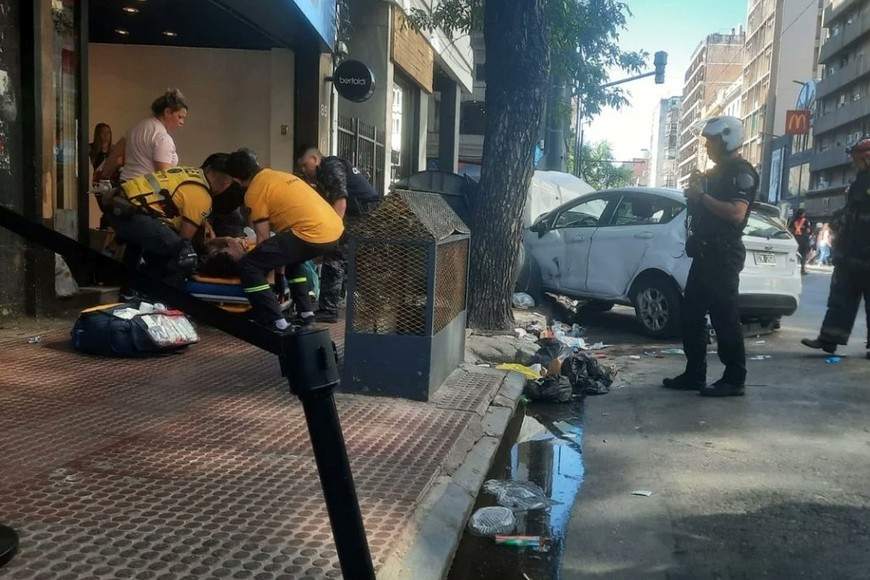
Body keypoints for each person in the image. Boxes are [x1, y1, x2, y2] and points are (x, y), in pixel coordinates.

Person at [662, 115, 759, 397]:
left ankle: (734, 378)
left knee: (724, 317)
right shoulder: (716, 172)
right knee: (691, 314)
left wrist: (702, 197)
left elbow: (735, 213)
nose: (707, 146)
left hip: (723, 253)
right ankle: (695, 373)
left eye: (711, 140)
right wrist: (695, 195)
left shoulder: (741, 171)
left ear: (728, 139)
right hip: (705, 254)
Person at [225, 149, 344, 331]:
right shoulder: (278, 176)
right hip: (334, 230)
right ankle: (306, 313)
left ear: (236, 180)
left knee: (249, 265)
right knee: (291, 259)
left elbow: (264, 239)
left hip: (311, 233)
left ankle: (275, 321)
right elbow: (279, 249)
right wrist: (280, 273)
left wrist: (270, 279)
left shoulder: (254, 192)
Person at [801, 137, 870, 360]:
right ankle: (829, 339)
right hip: (851, 255)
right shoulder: (859, 183)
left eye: (856, 160)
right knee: (840, 299)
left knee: (845, 298)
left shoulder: (863, 184)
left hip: (862, 255)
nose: (853, 164)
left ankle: (831, 340)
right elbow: (850, 217)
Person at [295, 145, 381, 323]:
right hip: (365, 219)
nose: (304, 170)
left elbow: (340, 203)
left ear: (315, 159)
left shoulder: (331, 167)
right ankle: (372, 305)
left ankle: (329, 309)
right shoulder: (324, 173)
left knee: (335, 256)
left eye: (305, 165)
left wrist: (331, 235)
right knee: (355, 262)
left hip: (364, 219)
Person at [103, 166, 214, 292]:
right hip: (133, 214)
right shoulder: (201, 195)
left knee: (144, 243)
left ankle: (129, 291)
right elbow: (184, 239)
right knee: (183, 254)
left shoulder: (187, 173)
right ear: (225, 180)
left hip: (118, 205)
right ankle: (164, 300)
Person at [101, 89, 188, 182]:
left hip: (125, 185)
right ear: (167, 112)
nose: (182, 122)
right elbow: (164, 175)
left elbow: (115, 153)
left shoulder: (135, 128)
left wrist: (102, 176)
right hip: (146, 190)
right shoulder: (162, 137)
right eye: (179, 117)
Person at [789, 208, 812, 275]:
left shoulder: (793, 221)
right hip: (803, 239)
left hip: (795, 239)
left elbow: (789, 229)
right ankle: (802, 269)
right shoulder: (806, 221)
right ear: (803, 213)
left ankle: (792, 268)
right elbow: (808, 230)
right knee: (803, 255)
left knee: (794, 254)